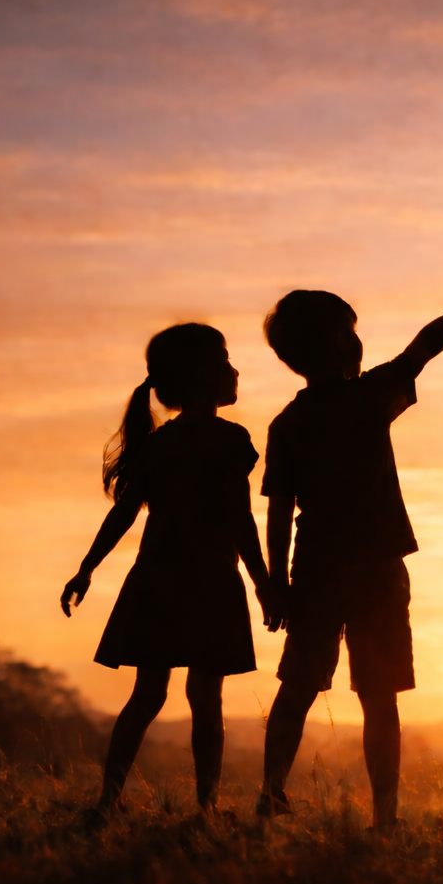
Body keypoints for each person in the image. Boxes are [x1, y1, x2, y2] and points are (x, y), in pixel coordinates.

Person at [257, 269, 443, 831]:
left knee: (298, 686)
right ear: (338, 344)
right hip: (375, 567)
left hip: (316, 567)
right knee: (379, 696)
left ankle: (271, 794)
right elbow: (426, 345)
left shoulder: (289, 423)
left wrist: (276, 581)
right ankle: (385, 818)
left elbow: (278, 511)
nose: (358, 339)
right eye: (351, 330)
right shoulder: (368, 397)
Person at [60, 323, 280, 814]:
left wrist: (86, 568)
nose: (235, 369)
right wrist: (264, 585)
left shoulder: (157, 445)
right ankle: (205, 808)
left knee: (146, 697)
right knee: (206, 699)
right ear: (203, 374)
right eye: (225, 360)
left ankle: (107, 801)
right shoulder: (229, 440)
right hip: (207, 581)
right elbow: (240, 518)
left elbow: (123, 513)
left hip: (156, 580)